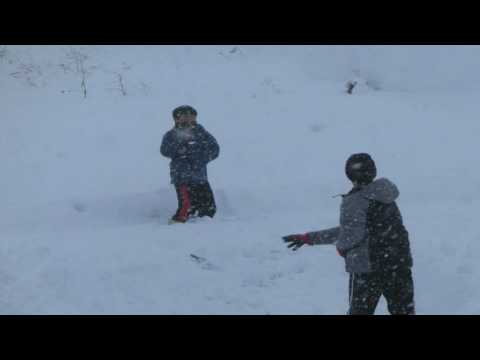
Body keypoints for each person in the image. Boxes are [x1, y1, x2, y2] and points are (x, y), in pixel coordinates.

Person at [283, 153, 415, 315]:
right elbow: (359, 229)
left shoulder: (355, 200)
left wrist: (342, 248)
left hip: (368, 271)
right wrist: (310, 238)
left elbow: (351, 235)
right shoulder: (385, 194)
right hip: (398, 265)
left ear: (349, 174)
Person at [160, 105, 220, 224]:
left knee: (209, 206)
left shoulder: (201, 132)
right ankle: (178, 221)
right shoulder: (171, 135)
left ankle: (204, 224)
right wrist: (179, 149)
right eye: (184, 116)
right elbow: (165, 150)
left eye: (191, 115)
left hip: (200, 176)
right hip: (182, 176)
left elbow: (214, 148)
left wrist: (203, 157)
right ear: (176, 119)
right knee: (186, 205)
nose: (188, 118)